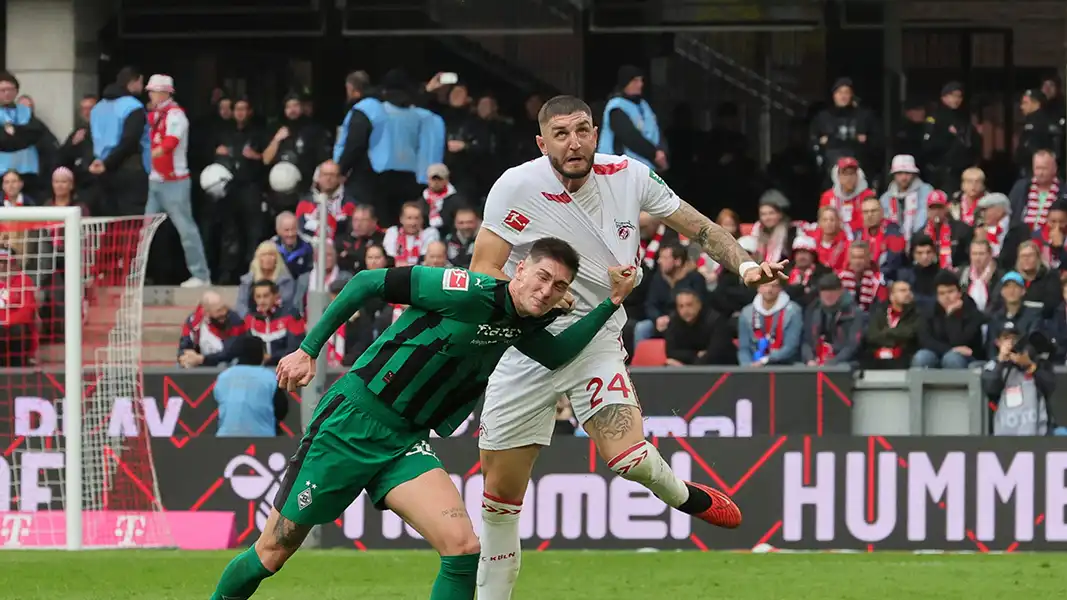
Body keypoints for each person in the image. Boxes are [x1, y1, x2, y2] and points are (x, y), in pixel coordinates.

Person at [469, 95, 780, 600]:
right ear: (541, 141)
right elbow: (483, 269)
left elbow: (699, 226)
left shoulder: (629, 175)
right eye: (562, 133)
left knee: (630, 458)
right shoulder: (516, 186)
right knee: (499, 502)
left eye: (583, 130)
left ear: (596, 133)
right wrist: (533, 301)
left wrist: (745, 266)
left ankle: (684, 496)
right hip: (526, 345)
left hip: (596, 337)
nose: (575, 143)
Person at [207, 237, 639, 600]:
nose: (547, 291)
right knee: (272, 553)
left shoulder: (522, 323)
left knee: (464, 549)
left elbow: (558, 354)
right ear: (520, 269)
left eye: (558, 285)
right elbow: (365, 282)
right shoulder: (466, 290)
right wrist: (308, 350)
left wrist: (610, 303)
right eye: (542, 277)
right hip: (351, 424)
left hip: (404, 442)